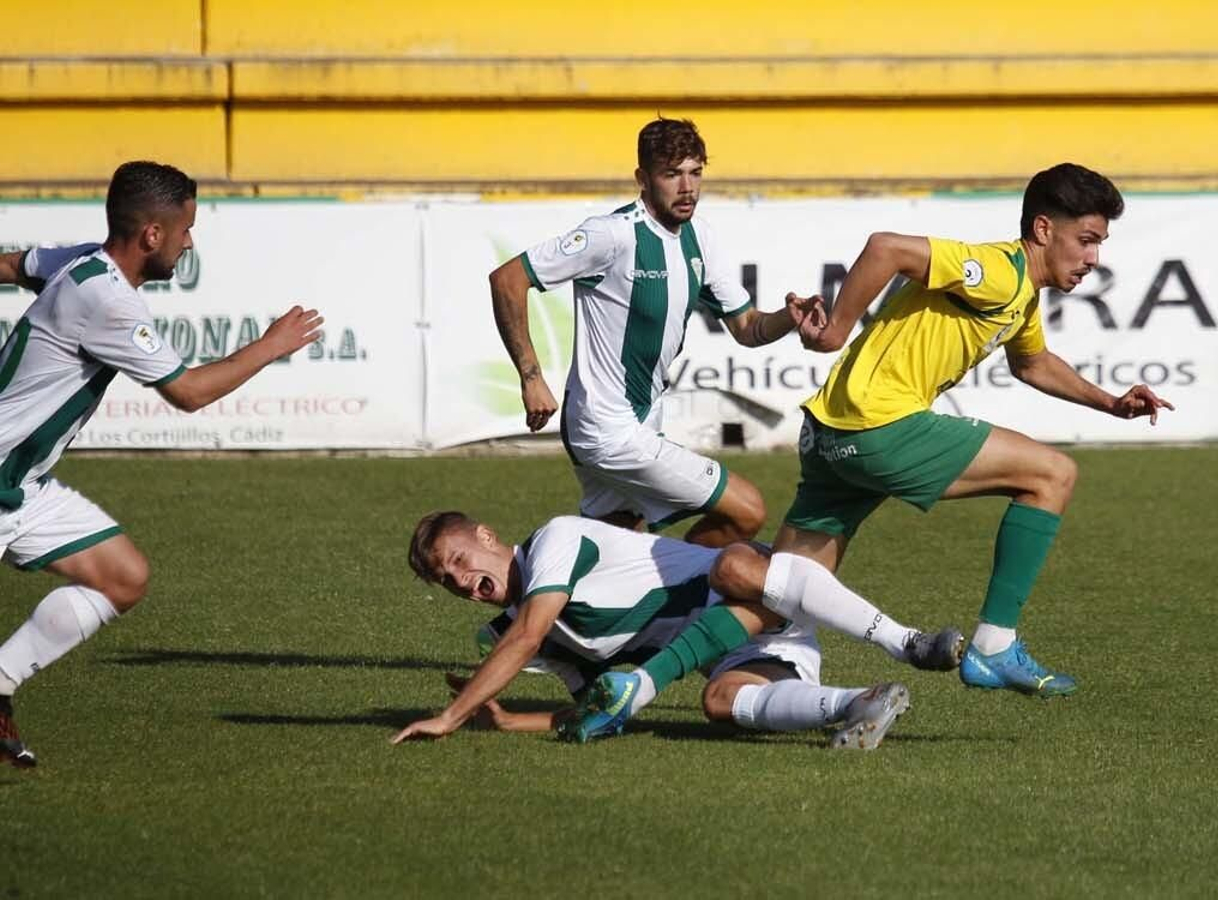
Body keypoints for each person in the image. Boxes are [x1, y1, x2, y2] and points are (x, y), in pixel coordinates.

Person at [753, 162, 1175, 697]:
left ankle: (714, 662)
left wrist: (1111, 403)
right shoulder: (997, 271)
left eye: (1099, 244)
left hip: (830, 433)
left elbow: (1032, 363)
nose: (1094, 259)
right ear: (1044, 229)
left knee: (784, 585)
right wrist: (836, 329)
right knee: (1052, 475)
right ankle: (995, 644)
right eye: (1086, 240)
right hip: (881, 424)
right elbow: (886, 248)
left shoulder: (1021, 295)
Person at [0, 161, 323, 768]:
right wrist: (271, 346)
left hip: (23, 485)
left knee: (122, 577)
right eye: (185, 229)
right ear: (152, 234)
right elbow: (189, 393)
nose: (189, 242)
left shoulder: (80, 261)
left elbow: (16, 265)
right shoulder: (108, 301)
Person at [486, 117, 821, 548]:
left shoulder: (699, 238)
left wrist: (788, 318)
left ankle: (533, 590)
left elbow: (747, 327)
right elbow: (508, 279)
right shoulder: (612, 234)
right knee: (746, 510)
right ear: (643, 179)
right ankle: (685, 585)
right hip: (605, 426)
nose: (687, 187)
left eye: (695, 173)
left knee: (615, 548)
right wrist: (531, 377)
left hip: (640, 419)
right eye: (672, 174)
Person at [390, 512, 941, 749]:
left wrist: (450, 716)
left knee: (729, 567)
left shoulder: (553, 542)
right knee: (719, 701)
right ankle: (859, 703)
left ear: (487, 537)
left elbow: (526, 637)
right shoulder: (534, 633)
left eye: (459, 560)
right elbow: (600, 711)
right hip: (751, 649)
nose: (461, 581)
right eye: (447, 581)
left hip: (767, 590)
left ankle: (906, 641)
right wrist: (510, 721)